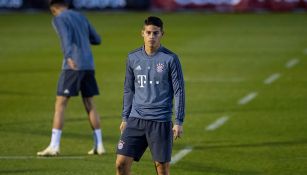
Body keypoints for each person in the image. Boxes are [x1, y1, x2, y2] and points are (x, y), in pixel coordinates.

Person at [115, 16, 185, 175]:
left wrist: (178, 121)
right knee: (121, 164)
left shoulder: (170, 59)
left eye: (155, 33)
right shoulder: (133, 57)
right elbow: (128, 89)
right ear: (142, 33)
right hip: (135, 119)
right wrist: (125, 117)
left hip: (160, 120)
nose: (151, 37)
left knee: (161, 169)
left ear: (162, 34)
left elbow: (179, 90)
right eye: (148, 33)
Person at [37, 0, 105, 156]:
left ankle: (54, 146)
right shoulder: (81, 16)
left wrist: (68, 56)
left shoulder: (59, 18)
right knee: (90, 103)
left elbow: (65, 37)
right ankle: (99, 145)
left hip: (73, 65)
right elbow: (97, 39)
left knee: (60, 103)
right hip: (89, 65)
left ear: (54, 8)